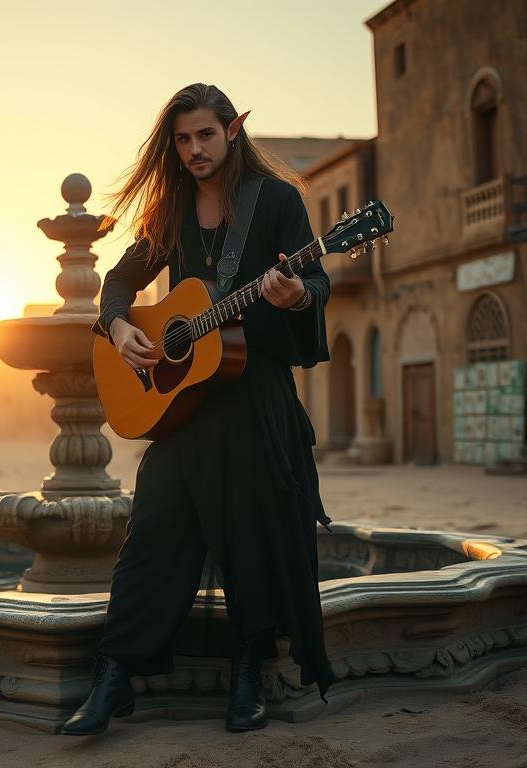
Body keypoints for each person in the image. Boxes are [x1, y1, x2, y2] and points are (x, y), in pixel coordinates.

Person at [59, 83, 336, 736]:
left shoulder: (276, 201)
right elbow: (120, 280)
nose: (193, 150)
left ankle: (248, 671)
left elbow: (317, 283)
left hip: (255, 403)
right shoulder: (170, 210)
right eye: (182, 139)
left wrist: (295, 294)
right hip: (183, 412)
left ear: (232, 129)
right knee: (152, 531)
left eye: (205, 135)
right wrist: (118, 325)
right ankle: (115, 675)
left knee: (250, 534)